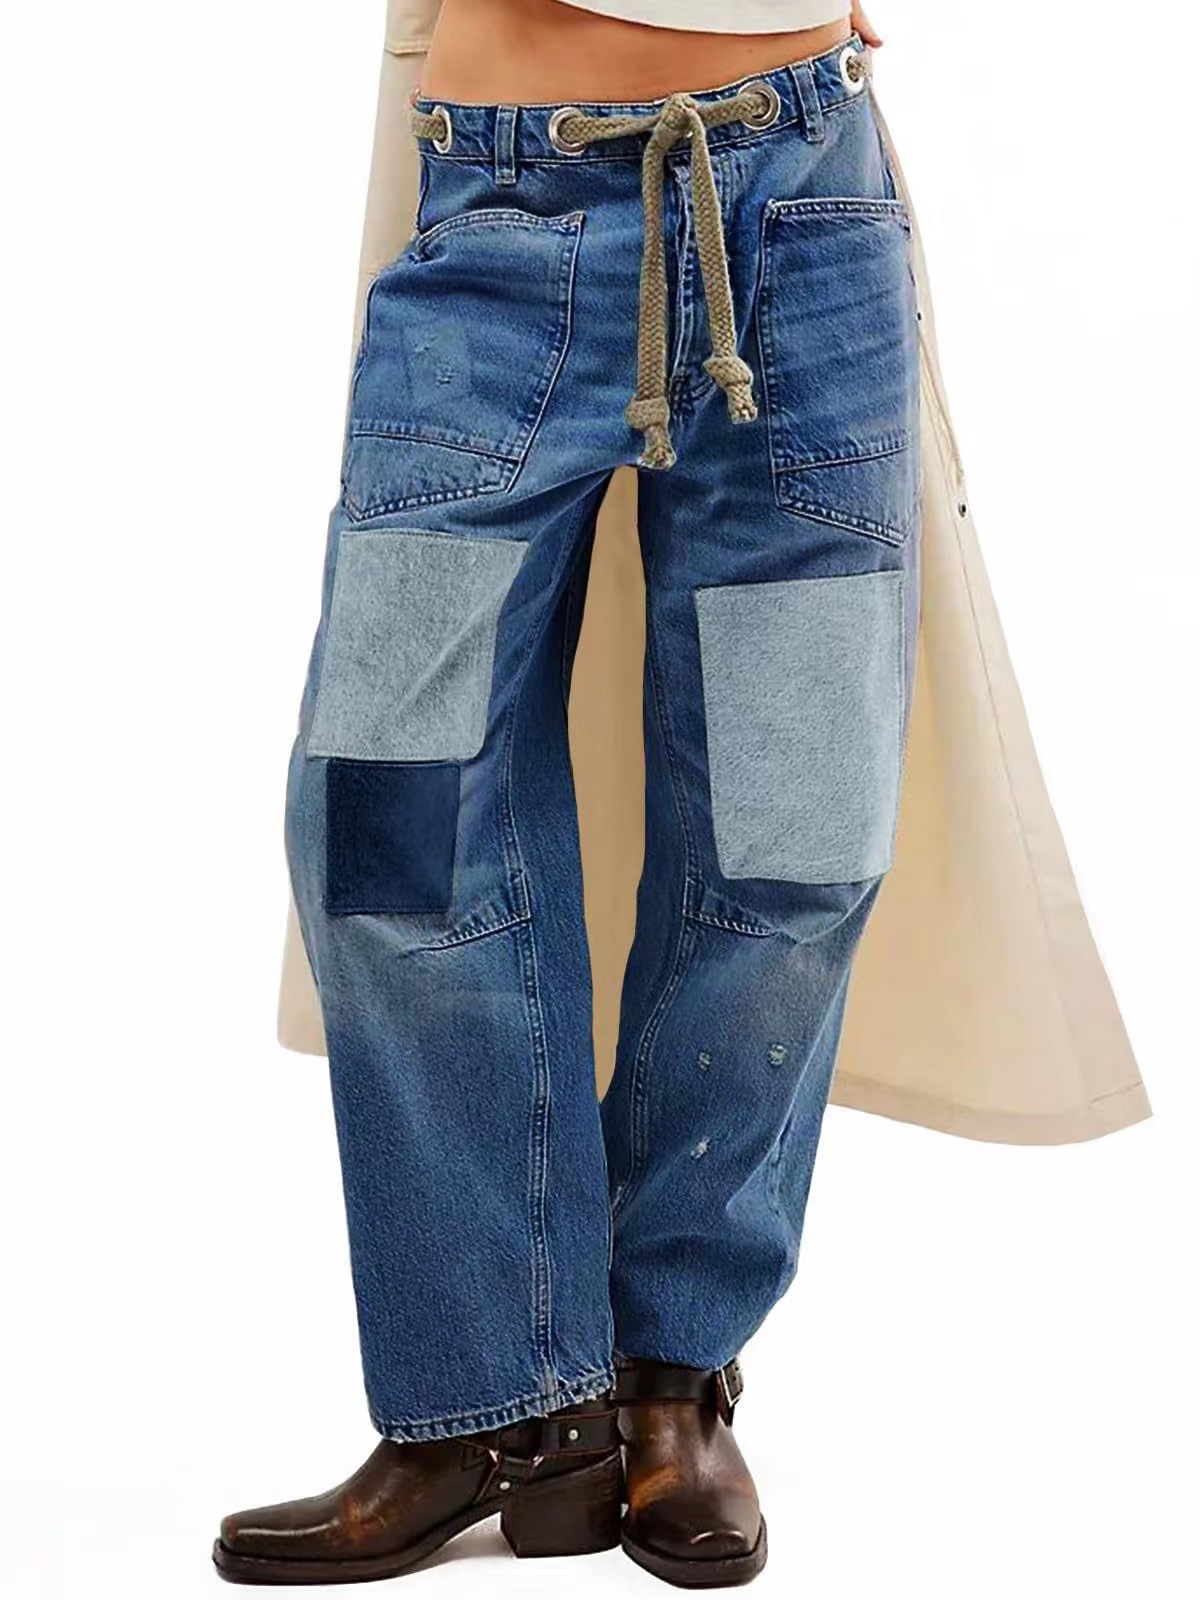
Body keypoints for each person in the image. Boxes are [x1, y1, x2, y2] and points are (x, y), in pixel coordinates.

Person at [213, 0, 1145, 1587]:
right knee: (387, 819)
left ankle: (669, 1377)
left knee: (792, 834)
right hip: (500, 213)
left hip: (801, 212)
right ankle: (496, 1402)